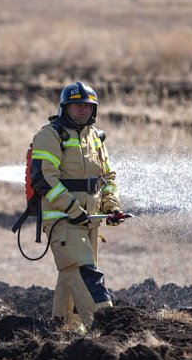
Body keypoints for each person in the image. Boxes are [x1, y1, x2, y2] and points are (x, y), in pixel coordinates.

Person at [30, 81, 123, 332]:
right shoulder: (50, 135)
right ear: (65, 108)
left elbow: (107, 177)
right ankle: (105, 326)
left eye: (87, 106)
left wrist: (111, 206)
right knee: (84, 273)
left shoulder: (95, 138)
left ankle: (63, 327)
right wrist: (72, 209)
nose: (82, 110)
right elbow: (43, 179)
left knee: (71, 273)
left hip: (90, 221)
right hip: (63, 220)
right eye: (76, 105)